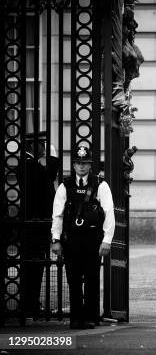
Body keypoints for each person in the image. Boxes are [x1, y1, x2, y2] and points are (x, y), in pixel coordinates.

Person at [50, 146, 115, 329]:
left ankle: (90, 317)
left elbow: (109, 213)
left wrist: (107, 240)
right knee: (74, 280)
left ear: (90, 165)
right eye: (78, 163)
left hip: (92, 239)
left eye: (84, 163)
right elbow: (58, 214)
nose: (81, 167)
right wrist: (56, 239)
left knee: (92, 279)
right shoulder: (66, 185)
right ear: (74, 165)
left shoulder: (100, 185)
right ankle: (76, 318)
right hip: (71, 240)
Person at [19, 138, 59, 317]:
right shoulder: (31, 165)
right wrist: (51, 157)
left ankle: (31, 302)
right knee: (34, 265)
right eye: (42, 145)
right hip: (35, 224)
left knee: (35, 264)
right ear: (33, 146)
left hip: (36, 223)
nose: (44, 148)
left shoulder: (32, 164)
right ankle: (30, 303)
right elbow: (50, 175)